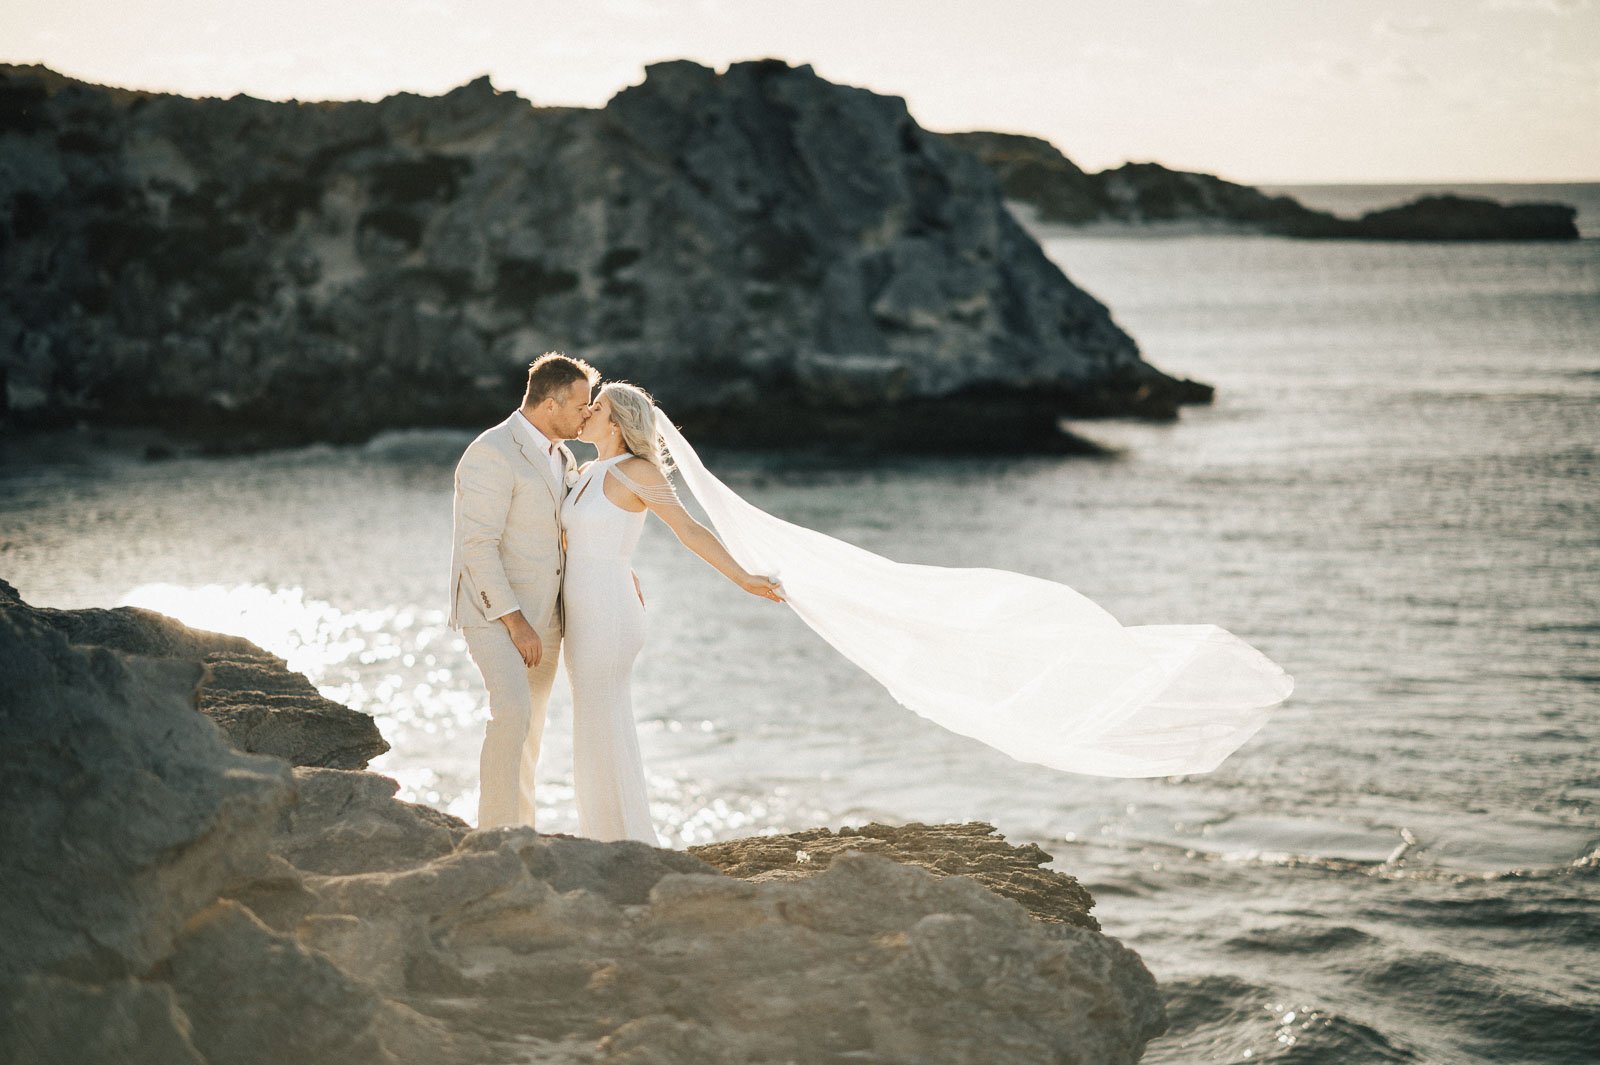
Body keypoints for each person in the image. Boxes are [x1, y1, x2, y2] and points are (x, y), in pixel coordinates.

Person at [561, 382, 782, 843]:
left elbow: (688, 529)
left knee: (605, 718)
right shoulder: (583, 471)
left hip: (609, 611)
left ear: (618, 421)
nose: (584, 411)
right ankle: (603, 836)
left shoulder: (636, 472)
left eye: (595, 407)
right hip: (583, 609)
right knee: (591, 721)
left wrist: (742, 577)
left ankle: (628, 842)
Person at [448, 352, 598, 829]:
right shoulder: (492, 452)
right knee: (510, 714)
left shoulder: (565, 455)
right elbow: (478, 546)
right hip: (495, 615)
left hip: (546, 618)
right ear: (550, 405)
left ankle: (522, 833)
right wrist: (514, 622)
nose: (587, 414)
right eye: (580, 405)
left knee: (530, 732)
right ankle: (494, 835)